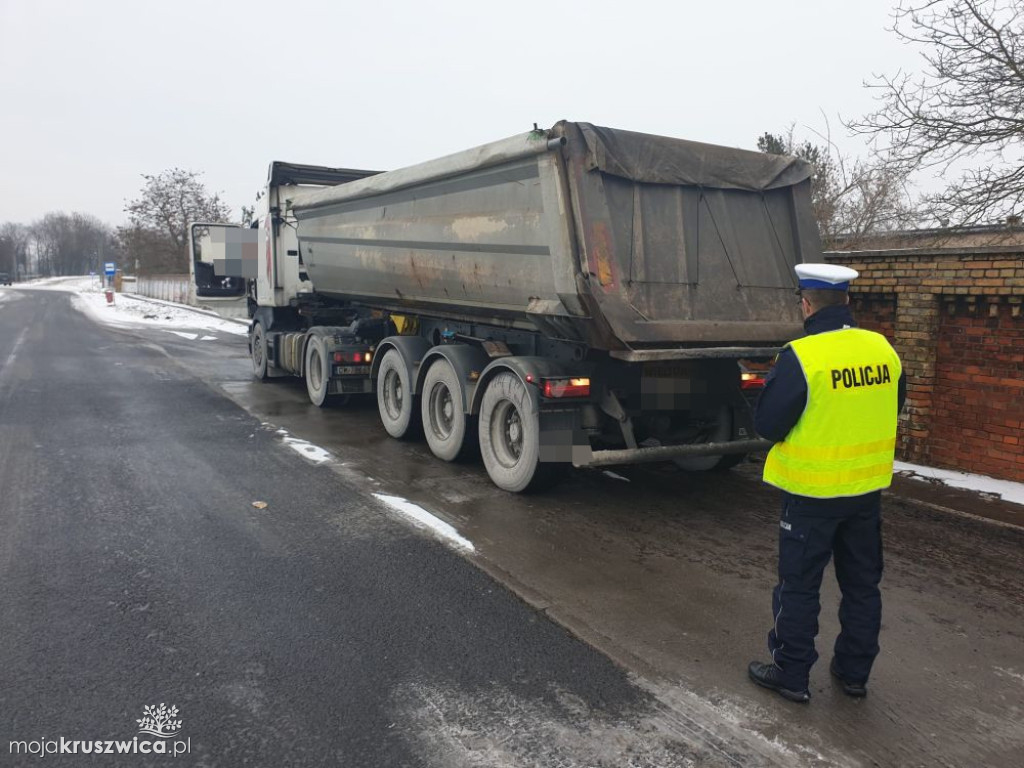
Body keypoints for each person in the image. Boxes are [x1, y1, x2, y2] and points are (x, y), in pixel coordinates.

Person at [748, 263, 906, 703]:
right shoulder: (883, 349)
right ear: (848, 302)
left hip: (811, 495)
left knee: (799, 586)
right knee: (862, 585)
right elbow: (893, 403)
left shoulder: (802, 356)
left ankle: (791, 675)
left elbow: (768, 424)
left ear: (805, 304)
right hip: (865, 494)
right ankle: (853, 673)